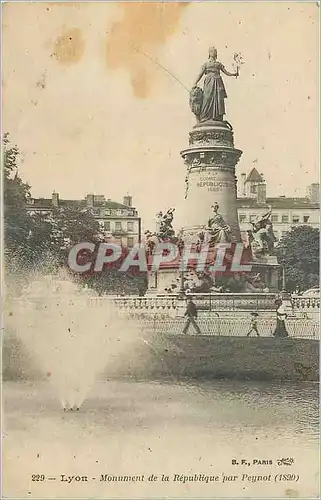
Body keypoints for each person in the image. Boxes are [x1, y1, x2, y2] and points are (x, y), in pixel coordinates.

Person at [192, 46, 238, 122]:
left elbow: (226, 72)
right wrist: (195, 83)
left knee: (218, 99)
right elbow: (200, 74)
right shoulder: (206, 65)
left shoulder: (218, 64)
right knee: (207, 98)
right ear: (209, 53)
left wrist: (234, 74)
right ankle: (205, 116)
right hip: (209, 82)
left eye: (215, 52)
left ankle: (217, 117)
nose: (214, 53)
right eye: (212, 51)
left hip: (218, 83)